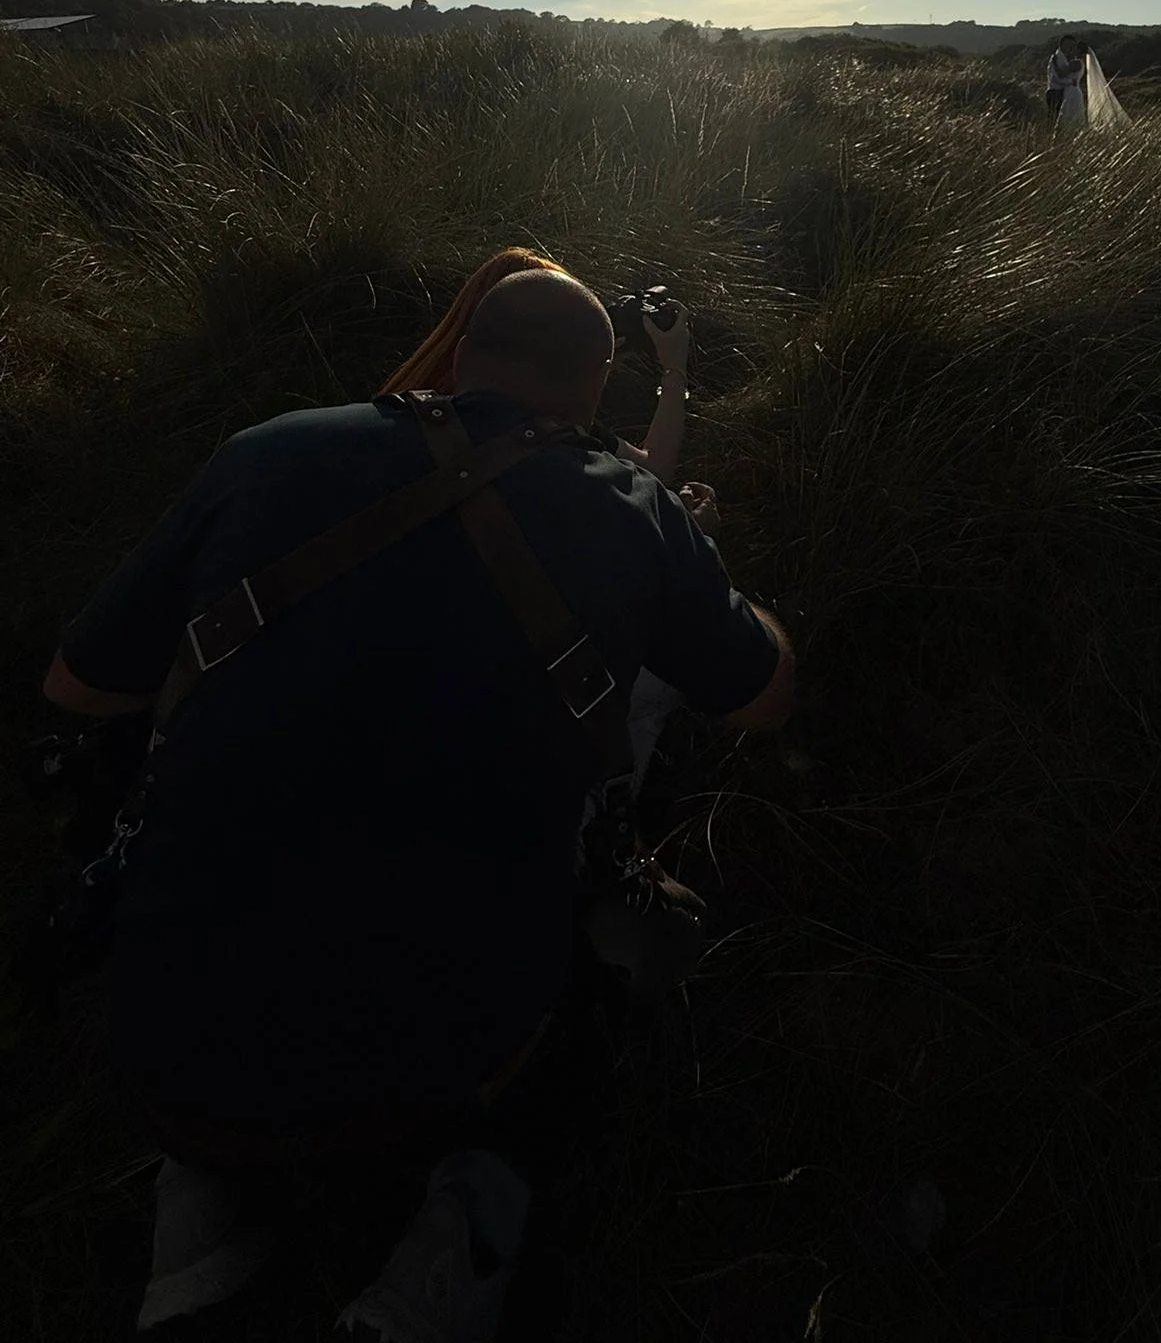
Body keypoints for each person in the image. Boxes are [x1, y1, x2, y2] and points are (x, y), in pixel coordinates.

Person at [42, 266, 793, 1340]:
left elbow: (74, 686)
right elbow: (767, 697)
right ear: (595, 385)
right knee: (616, 969)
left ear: (462, 349)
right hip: (452, 1071)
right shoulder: (630, 508)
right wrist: (707, 567)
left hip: (167, 1043)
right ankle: (452, 1252)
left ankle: (201, 1223)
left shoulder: (268, 448)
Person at [385, 247, 697, 787]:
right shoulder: (556, 447)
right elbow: (655, 474)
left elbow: (650, 466)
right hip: (506, 719)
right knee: (657, 682)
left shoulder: (396, 417)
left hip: (395, 690)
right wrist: (674, 365)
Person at [1046, 36, 1086, 127]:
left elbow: (1061, 74)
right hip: (1065, 91)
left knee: (1065, 117)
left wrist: (1056, 65)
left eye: (1074, 47)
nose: (1071, 49)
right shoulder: (1063, 59)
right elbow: (1057, 77)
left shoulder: (1076, 63)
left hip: (1071, 91)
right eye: (1070, 46)